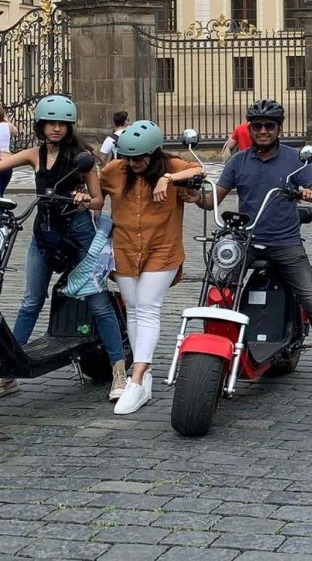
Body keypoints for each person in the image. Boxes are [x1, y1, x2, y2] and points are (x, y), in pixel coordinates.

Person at [0, 95, 128, 401]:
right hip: (44, 235)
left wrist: (83, 199)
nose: (55, 129)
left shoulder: (82, 157)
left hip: (78, 236)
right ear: (40, 125)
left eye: (61, 124)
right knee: (30, 302)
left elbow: (98, 200)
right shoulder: (35, 154)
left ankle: (119, 371)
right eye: (50, 123)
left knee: (97, 302)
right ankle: (9, 372)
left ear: (69, 126)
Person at [201, 98, 312, 396]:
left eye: (269, 126)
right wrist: (191, 194)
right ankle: (215, 357)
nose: (263, 131)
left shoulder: (294, 160)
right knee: (220, 290)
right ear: (250, 128)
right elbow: (212, 200)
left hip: (286, 244)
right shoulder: (238, 161)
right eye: (257, 126)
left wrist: (309, 194)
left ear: (279, 128)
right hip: (246, 241)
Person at [97, 120, 205, 414]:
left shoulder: (171, 165)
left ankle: (137, 377)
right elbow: (96, 192)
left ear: (155, 154)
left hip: (163, 249)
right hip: (125, 250)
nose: (134, 163)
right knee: (132, 309)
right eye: (128, 157)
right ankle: (145, 378)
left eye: (140, 158)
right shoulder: (114, 171)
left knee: (147, 306)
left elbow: (199, 171)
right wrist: (88, 202)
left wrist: (168, 179)